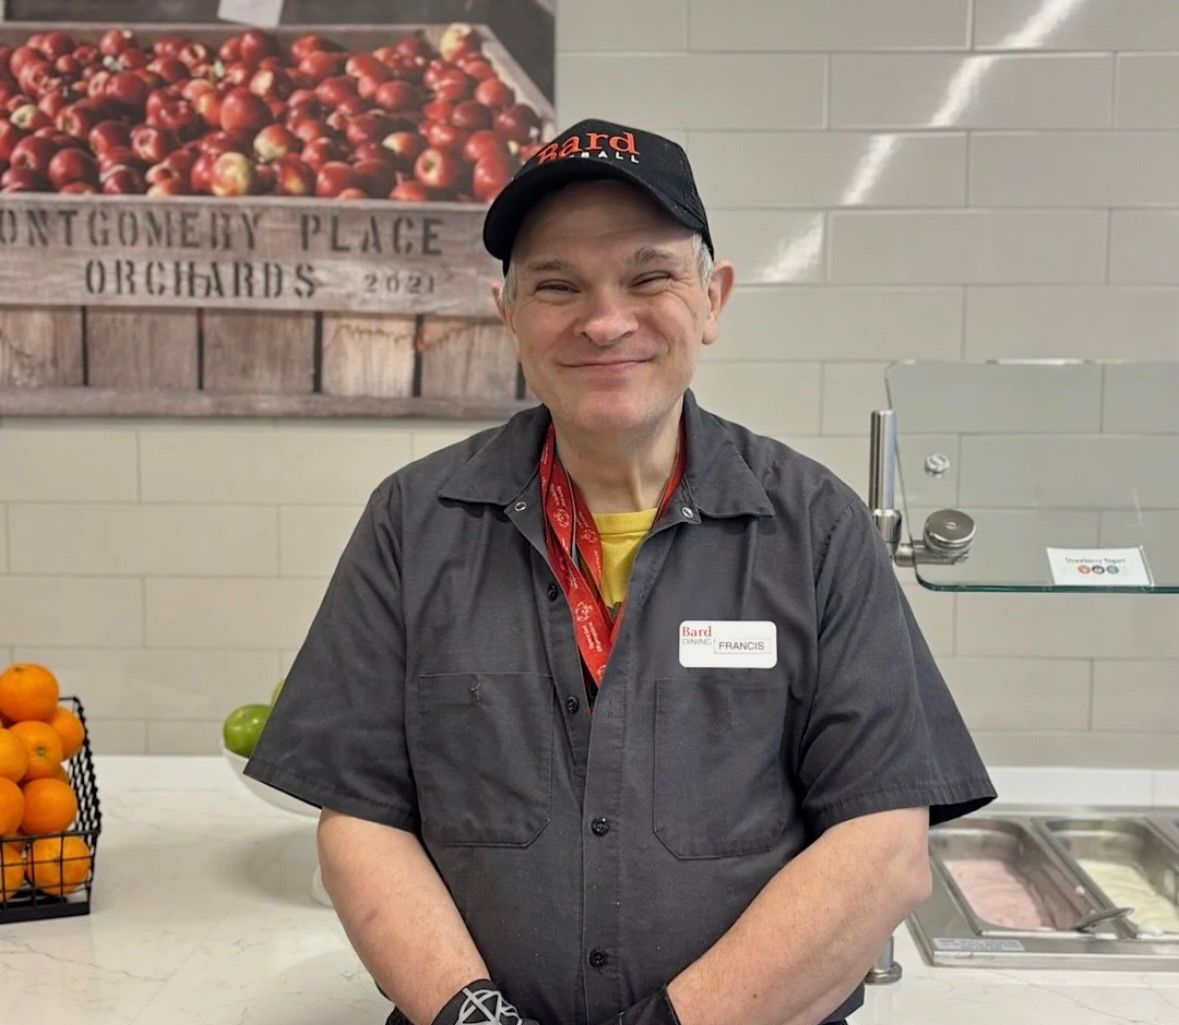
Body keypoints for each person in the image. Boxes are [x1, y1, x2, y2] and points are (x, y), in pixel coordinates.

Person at [245, 118, 996, 1025]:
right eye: (558, 285)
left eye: (649, 277)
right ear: (508, 315)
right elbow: (359, 818)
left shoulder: (814, 525)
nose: (605, 321)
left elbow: (882, 846)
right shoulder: (414, 520)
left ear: (711, 299)